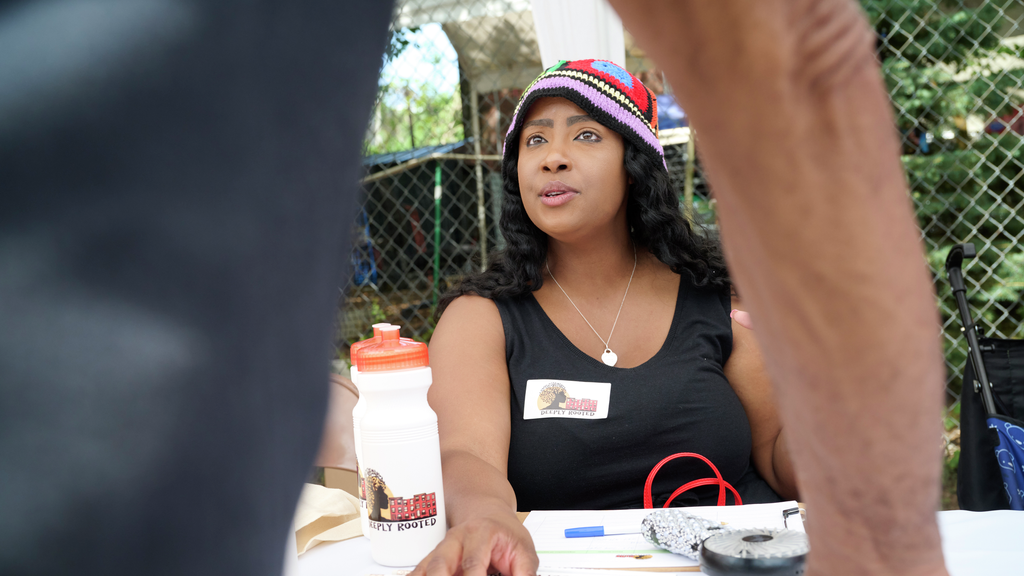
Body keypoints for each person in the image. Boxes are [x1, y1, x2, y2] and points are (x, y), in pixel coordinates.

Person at [416, 59, 798, 576]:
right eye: (534, 140)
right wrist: (490, 519)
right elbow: (465, 456)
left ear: (634, 164)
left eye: (587, 135)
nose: (553, 157)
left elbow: (786, 465)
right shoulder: (481, 319)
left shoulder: (715, 297)